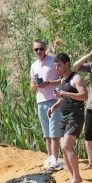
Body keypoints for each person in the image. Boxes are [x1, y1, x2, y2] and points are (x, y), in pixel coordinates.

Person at [47, 53, 88, 183]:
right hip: (65, 116)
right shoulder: (63, 80)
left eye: (59, 65)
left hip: (75, 115)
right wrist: (55, 106)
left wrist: (66, 94)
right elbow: (63, 97)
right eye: (55, 65)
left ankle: (77, 176)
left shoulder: (76, 78)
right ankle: (73, 178)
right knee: (63, 148)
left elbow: (84, 96)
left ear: (67, 64)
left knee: (66, 145)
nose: (56, 68)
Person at [30, 39, 62, 168]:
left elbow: (63, 79)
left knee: (54, 131)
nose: (39, 51)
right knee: (47, 133)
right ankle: (50, 158)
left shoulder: (53, 62)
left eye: (41, 49)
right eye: (36, 49)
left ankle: (55, 158)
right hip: (40, 100)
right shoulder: (34, 66)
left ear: (45, 48)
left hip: (53, 99)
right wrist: (35, 84)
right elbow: (31, 86)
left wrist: (48, 83)